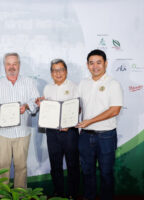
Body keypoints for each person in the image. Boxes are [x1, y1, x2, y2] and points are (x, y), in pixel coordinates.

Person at [76, 49, 123, 200]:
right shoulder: (83, 83)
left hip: (106, 136)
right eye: (91, 63)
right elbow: (77, 106)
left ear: (105, 63)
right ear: (87, 65)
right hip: (85, 136)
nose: (95, 66)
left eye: (98, 62)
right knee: (87, 172)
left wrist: (89, 121)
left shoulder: (113, 84)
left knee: (106, 173)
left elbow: (115, 110)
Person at [0, 52, 39, 189]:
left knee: (21, 167)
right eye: (8, 64)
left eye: (14, 64)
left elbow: (36, 104)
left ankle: (20, 195)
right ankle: (1, 195)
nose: (12, 67)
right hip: (3, 133)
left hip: (22, 132)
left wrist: (27, 106)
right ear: (4, 66)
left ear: (19, 65)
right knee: (3, 167)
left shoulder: (29, 82)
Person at [36, 59, 80, 199]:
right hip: (52, 132)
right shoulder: (47, 88)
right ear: (51, 73)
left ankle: (73, 193)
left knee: (73, 165)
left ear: (66, 71)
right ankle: (58, 192)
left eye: (61, 69)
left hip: (70, 132)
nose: (58, 73)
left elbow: (77, 108)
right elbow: (48, 109)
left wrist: (69, 123)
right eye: (55, 70)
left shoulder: (75, 87)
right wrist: (41, 104)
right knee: (55, 165)